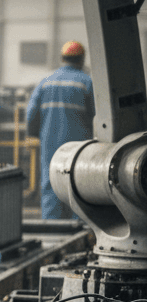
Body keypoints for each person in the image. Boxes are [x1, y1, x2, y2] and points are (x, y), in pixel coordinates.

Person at [26, 40, 94, 219]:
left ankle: (50, 227)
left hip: (50, 141)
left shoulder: (46, 81)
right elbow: (96, 114)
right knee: (79, 182)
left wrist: (33, 134)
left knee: (50, 181)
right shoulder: (86, 82)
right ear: (81, 59)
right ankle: (79, 226)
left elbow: (31, 113)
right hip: (79, 143)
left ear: (62, 59)